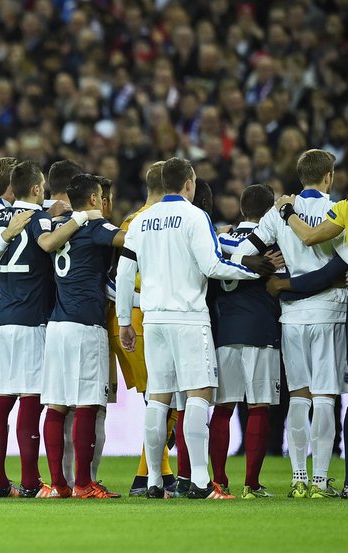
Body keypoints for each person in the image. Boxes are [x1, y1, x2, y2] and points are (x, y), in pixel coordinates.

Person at [116, 157, 268, 500]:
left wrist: (125, 319)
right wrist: (254, 271)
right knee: (198, 394)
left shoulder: (141, 220)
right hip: (188, 318)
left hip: (152, 320)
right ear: (189, 183)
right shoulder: (195, 216)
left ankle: (154, 479)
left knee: (158, 399)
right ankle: (200, 481)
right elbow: (213, 264)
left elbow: (124, 274)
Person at [0, 161, 85, 498]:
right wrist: (78, 218)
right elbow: (49, 244)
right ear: (37, 189)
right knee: (31, 400)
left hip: (1, 319)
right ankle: (31, 481)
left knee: (1, 401)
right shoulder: (40, 220)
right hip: (32, 319)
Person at [233, 149, 346, 499]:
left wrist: (269, 269)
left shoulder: (277, 213)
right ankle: (319, 482)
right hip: (330, 312)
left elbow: (240, 254)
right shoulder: (337, 211)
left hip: (292, 316)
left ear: (300, 176)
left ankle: (298, 479)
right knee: (325, 396)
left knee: (299, 396)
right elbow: (338, 268)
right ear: (329, 175)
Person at [37, 174, 122, 500]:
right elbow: (128, 240)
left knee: (56, 405)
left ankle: (59, 484)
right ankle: (83, 483)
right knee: (87, 405)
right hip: (86, 326)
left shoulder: (59, 226)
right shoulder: (96, 226)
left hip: (57, 325)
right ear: (95, 198)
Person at [108, 162, 177, 496]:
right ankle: (146, 476)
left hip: (130, 316)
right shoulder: (157, 222)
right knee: (163, 398)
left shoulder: (129, 220)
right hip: (141, 317)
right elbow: (115, 276)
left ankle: (159, 473)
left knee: (162, 398)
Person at [211, 184, 281, 499]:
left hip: (225, 332)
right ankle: (252, 485)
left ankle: (219, 480)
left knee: (223, 409)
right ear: (270, 213)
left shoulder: (219, 239)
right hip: (260, 330)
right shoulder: (275, 243)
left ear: (242, 210)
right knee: (259, 407)